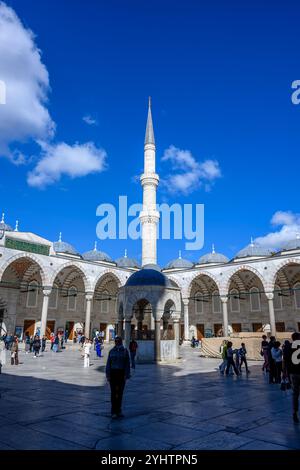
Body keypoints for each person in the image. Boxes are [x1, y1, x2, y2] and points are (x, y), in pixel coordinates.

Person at [106, 336, 130, 419]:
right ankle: (113, 411)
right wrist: (108, 375)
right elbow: (108, 364)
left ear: (121, 342)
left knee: (120, 393)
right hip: (113, 373)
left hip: (121, 373)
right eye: (116, 341)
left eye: (118, 341)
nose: (117, 342)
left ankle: (119, 410)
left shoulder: (125, 352)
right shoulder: (111, 351)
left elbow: (127, 364)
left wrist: (126, 375)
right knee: (113, 393)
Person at [286, 332, 300, 423]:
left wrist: (284, 373)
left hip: (293, 373)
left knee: (295, 394)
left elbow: (285, 360)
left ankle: (294, 412)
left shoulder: (287, 347)